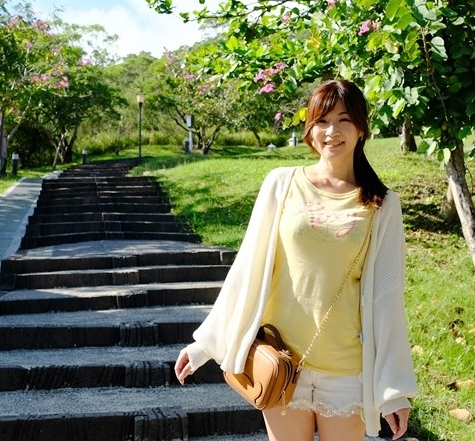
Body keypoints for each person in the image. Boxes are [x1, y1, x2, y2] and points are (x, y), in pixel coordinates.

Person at [174, 79, 417, 441]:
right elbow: (248, 268)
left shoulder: (381, 203)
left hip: (347, 369)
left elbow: (387, 297)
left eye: (344, 120)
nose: (331, 131)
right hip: (280, 363)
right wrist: (206, 344)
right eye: (321, 120)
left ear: (362, 128)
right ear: (310, 129)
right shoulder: (282, 183)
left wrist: (393, 391)